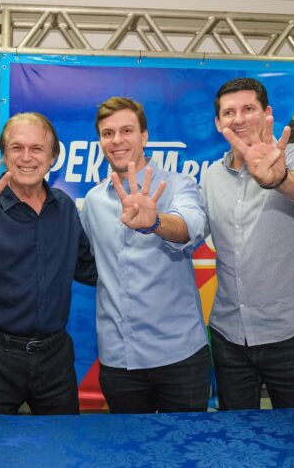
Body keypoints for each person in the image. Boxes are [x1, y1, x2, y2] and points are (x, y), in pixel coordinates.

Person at [0, 112, 96, 415]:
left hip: (55, 359)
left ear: (53, 158)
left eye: (36, 149)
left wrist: (143, 244)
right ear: (4, 155)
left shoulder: (64, 208)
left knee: (61, 454)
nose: (26, 157)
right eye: (16, 148)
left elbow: (89, 268)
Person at [199, 78, 294, 410]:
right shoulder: (211, 177)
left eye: (248, 109)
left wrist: (282, 178)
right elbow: (191, 230)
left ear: (267, 113)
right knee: (238, 441)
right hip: (230, 337)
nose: (239, 118)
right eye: (229, 112)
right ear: (218, 122)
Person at [81, 97, 210, 414]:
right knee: (129, 454)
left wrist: (154, 222)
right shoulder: (94, 201)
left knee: (187, 454)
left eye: (127, 130)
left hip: (180, 356)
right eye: (107, 133)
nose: (117, 140)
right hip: (119, 359)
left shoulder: (178, 185)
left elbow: (189, 227)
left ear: (145, 136)